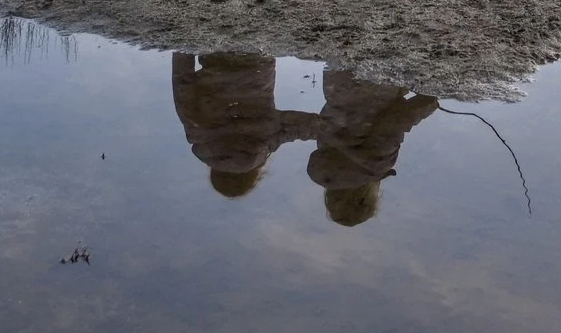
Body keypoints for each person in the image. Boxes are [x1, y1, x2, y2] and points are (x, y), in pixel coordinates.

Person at [168, 52, 319, 198]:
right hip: (214, 58)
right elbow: (183, 88)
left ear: (253, 175)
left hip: (259, 62)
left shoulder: (265, 142)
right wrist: (181, 50)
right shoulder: (199, 135)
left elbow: (295, 127)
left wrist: (329, 130)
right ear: (213, 170)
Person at [304, 69, 439, 226]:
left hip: (379, 82)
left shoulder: (375, 163)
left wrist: (428, 102)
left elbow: (396, 121)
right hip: (336, 81)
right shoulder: (325, 153)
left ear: (365, 197)